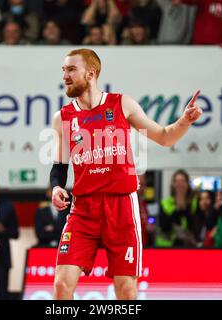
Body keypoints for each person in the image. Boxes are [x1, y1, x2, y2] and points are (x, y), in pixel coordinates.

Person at [50, 48, 203, 300]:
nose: (65, 76)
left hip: (120, 206)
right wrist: (56, 187)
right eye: (63, 70)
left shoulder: (121, 104)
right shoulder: (63, 118)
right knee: (61, 287)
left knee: (126, 290)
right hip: (84, 208)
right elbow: (59, 167)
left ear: (91, 73)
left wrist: (184, 121)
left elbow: (165, 137)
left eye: (71, 70)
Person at [155, 169, 199, 248]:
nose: (180, 185)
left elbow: (196, 227)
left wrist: (185, 208)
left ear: (187, 184)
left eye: (182, 181)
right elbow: (164, 226)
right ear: (173, 184)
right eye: (177, 181)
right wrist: (177, 209)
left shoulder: (194, 203)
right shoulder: (165, 203)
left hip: (189, 246)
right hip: (167, 247)